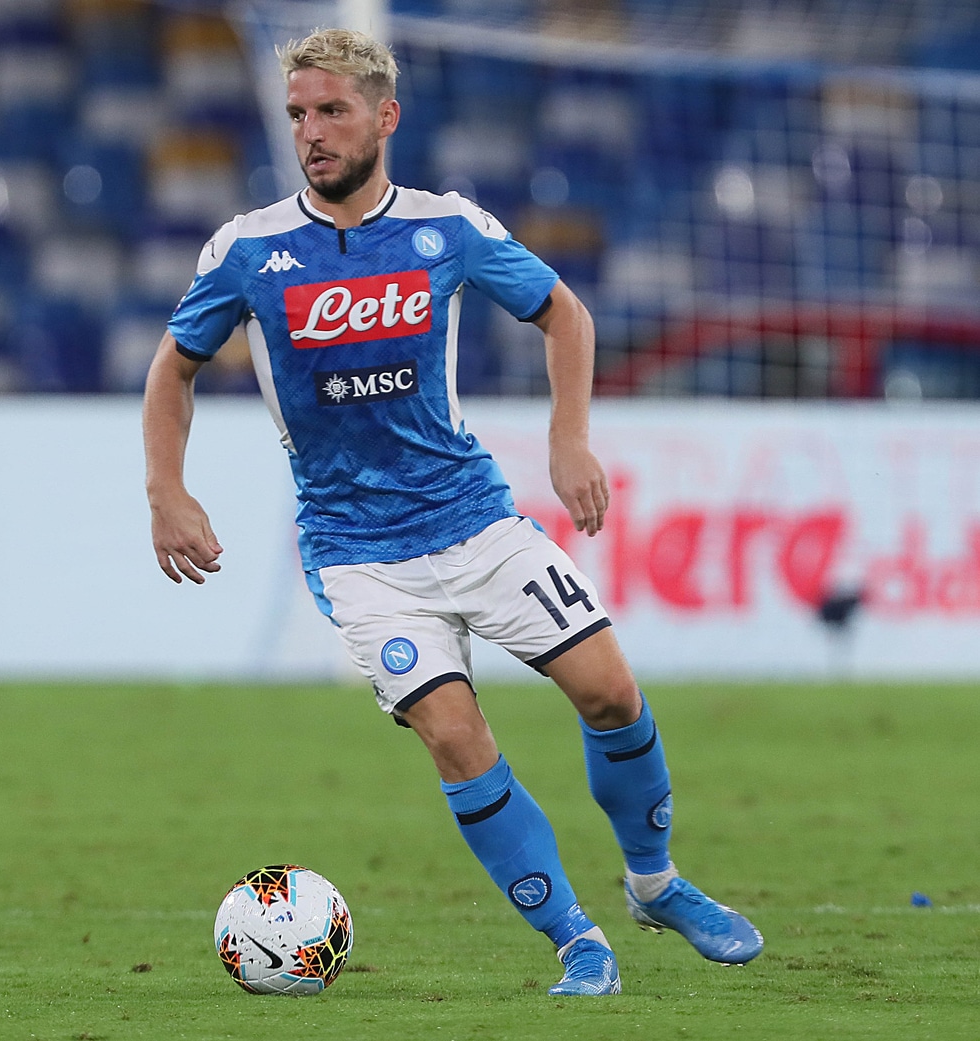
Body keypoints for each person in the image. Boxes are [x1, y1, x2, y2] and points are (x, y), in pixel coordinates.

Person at [142, 27, 762, 996]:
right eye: (299, 114)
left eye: (332, 111)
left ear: (384, 117)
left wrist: (569, 438)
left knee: (610, 692)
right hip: (359, 555)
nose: (312, 132)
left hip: (475, 521)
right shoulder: (247, 250)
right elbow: (172, 368)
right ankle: (577, 939)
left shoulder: (447, 227)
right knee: (456, 735)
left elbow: (564, 312)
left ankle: (656, 883)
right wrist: (167, 489)